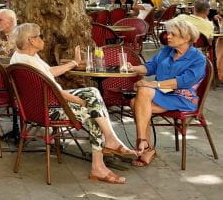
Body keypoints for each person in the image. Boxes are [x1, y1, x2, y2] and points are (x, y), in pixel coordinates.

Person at [10, 23, 135, 183]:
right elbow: (55, 91)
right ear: (31, 40)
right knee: (94, 113)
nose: (43, 39)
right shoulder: (29, 64)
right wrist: (81, 102)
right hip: (49, 108)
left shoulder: (23, 57)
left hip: (40, 105)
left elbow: (49, 73)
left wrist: (74, 62)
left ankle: (110, 141)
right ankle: (99, 166)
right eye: (40, 36)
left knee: (93, 93)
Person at [129, 16, 206, 167]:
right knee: (137, 101)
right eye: (168, 33)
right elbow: (150, 67)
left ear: (186, 37)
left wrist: (154, 85)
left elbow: (183, 82)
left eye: (173, 34)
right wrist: (132, 68)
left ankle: (143, 143)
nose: (168, 36)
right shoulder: (166, 51)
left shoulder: (198, 59)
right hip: (162, 94)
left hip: (182, 97)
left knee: (140, 98)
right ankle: (146, 146)